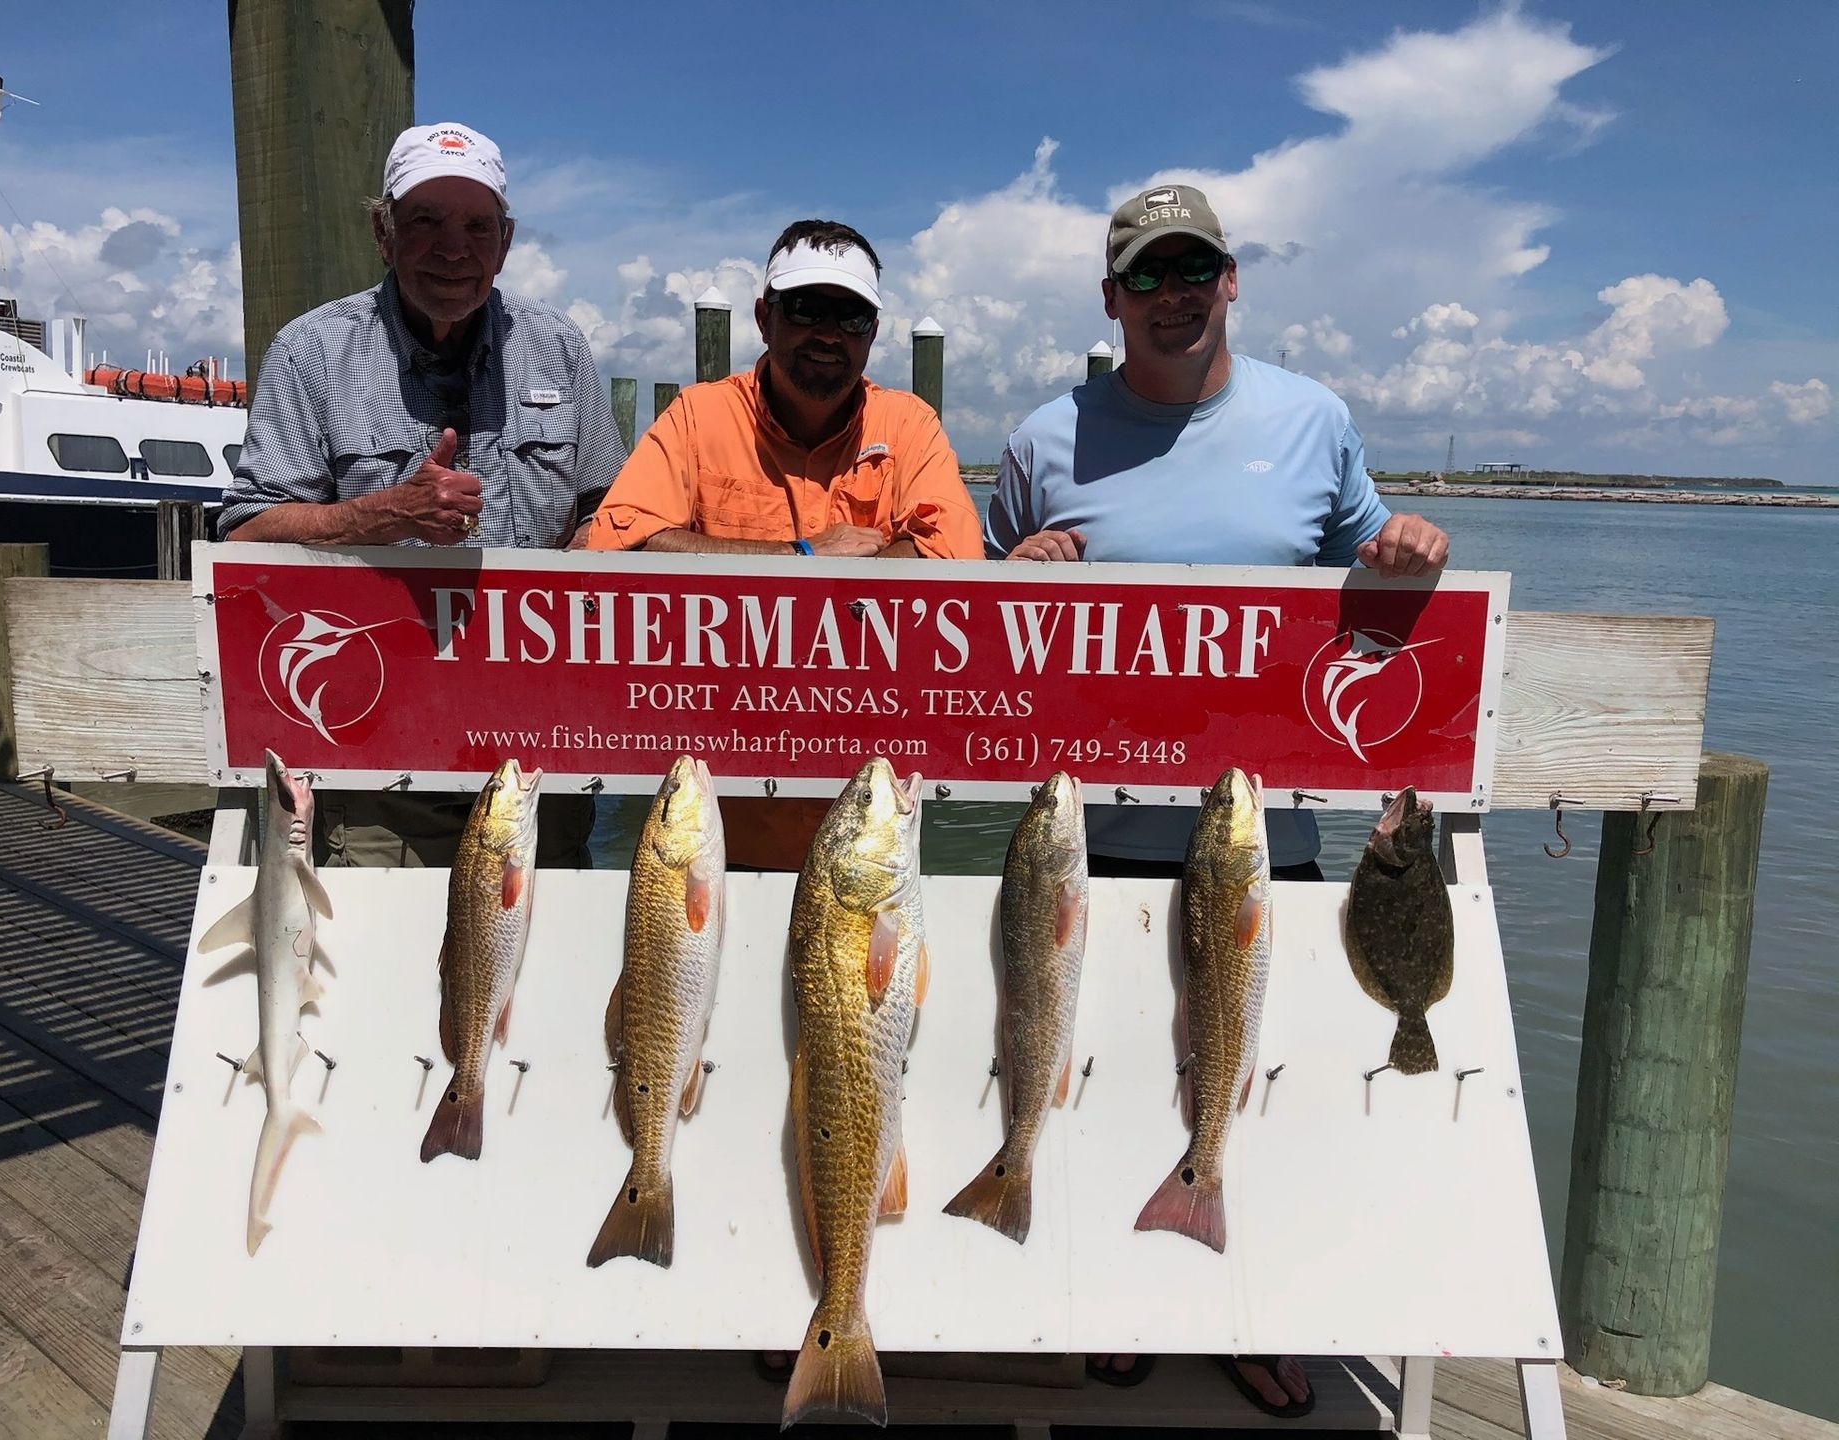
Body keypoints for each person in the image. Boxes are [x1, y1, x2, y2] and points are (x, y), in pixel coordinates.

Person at [985, 183, 1450, 1419]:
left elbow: (1371, 584)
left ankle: (1262, 1310)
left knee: (1264, 1081)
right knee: (1110, 1074)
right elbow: (980, 650)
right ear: (1110, 299)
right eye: (1147, 275)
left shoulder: (1315, 418)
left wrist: (1405, 557)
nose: (1174, 294)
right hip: (1094, 847)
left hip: (1261, 842)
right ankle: (1126, 1303)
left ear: (1232, 279)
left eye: (1195, 269)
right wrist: (1013, 570)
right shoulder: (1042, 440)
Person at [219, 121, 627, 866]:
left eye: (477, 226)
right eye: (426, 222)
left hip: (536, 760)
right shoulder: (312, 349)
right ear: (384, 232)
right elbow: (244, 537)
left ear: (504, 241)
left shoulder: (560, 346)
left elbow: (612, 515)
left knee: (537, 971)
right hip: (375, 763)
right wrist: (379, 515)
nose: (453, 248)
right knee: (373, 971)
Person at [588, 218, 983, 870]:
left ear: (873, 332)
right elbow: (618, 543)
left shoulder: (909, 424)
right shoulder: (698, 416)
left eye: (851, 316)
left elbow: (956, 562)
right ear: (764, 316)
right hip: (708, 829)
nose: (828, 333)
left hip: (872, 826)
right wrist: (801, 558)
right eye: (806, 309)